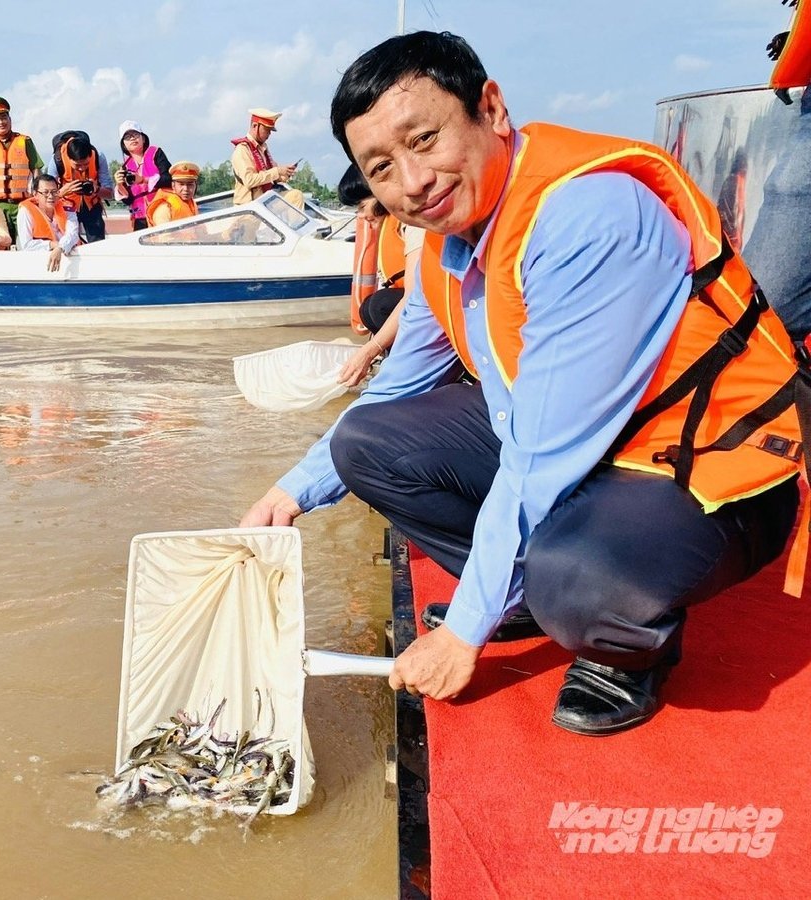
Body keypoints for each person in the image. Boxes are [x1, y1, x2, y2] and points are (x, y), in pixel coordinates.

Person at [240, 31, 808, 737]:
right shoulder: (445, 246)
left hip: (706, 467)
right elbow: (394, 392)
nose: (412, 182)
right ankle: (522, 596)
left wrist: (464, 630)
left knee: (571, 574)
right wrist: (288, 492)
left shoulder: (584, 218)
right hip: (588, 450)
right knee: (366, 443)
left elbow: (540, 460)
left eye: (424, 140)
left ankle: (625, 650)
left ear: (492, 110)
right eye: (382, 168)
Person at [337, 163, 415, 386]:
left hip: (427, 311)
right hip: (408, 308)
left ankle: (408, 368)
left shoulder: (409, 224)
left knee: (380, 305)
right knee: (369, 309)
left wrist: (370, 350)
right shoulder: (387, 224)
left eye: (362, 206)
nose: (361, 216)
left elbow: (416, 296)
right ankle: (394, 360)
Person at [0, 96, 45, 243]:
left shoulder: (25, 141)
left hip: (22, 204)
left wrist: (39, 198)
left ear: (9, 118)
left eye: (3, 117)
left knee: (28, 243)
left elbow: (37, 171)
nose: (1, 122)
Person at [47, 130, 114, 243]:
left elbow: (110, 194)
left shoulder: (99, 156)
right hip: (66, 208)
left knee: (98, 246)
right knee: (69, 245)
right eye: (77, 165)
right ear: (68, 158)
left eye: (86, 164)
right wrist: (63, 191)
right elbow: (47, 198)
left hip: (92, 207)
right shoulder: (56, 160)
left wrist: (96, 189)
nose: (82, 168)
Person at [230, 107, 301, 207]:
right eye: (266, 130)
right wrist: (277, 171)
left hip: (265, 203)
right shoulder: (242, 149)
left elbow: (272, 175)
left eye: (270, 131)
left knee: (295, 196)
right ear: (255, 126)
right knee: (295, 196)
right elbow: (249, 180)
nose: (269, 134)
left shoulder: (263, 149)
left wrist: (285, 173)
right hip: (250, 208)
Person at [113, 120, 172, 230]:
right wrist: (120, 185)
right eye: (127, 137)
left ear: (143, 138)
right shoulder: (125, 167)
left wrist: (143, 180)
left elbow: (169, 179)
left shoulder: (156, 153)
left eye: (135, 135)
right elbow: (128, 200)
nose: (132, 138)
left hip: (161, 211)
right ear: (124, 144)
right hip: (140, 218)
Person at [16, 174, 80, 271]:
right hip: (38, 262)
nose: (51, 196)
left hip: (70, 256)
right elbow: (27, 245)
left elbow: (73, 234)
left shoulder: (67, 209)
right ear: (35, 194)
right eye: (45, 192)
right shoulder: (26, 212)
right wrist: (52, 245)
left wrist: (60, 248)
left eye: (54, 192)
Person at [145, 161, 201, 226]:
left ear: (195, 186)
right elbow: (164, 235)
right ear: (173, 186)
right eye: (181, 184)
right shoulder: (164, 208)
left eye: (190, 184)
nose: (185, 189)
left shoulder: (191, 203)